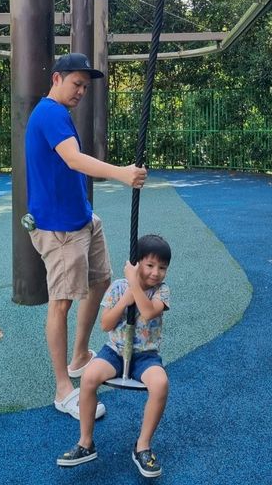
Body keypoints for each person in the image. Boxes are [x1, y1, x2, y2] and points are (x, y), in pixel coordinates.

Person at [25, 52, 147, 422]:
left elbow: (71, 168)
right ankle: (63, 389)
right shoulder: (49, 113)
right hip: (59, 230)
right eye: (77, 84)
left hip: (82, 219)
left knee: (101, 281)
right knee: (60, 303)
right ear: (58, 78)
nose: (81, 92)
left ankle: (79, 356)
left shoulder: (59, 114)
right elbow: (75, 160)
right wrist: (123, 174)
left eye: (85, 86)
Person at [57, 234, 172, 479]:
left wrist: (136, 286)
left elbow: (149, 312)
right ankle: (86, 442)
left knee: (160, 384)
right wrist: (126, 297)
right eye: (150, 265)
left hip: (145, 357)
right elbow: (106, 324)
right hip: (116, 351)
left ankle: (142, 446)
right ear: (136, 263)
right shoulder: (119, 286)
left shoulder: (162, 291)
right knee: (89, 377)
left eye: (162, 268)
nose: (156, 273)